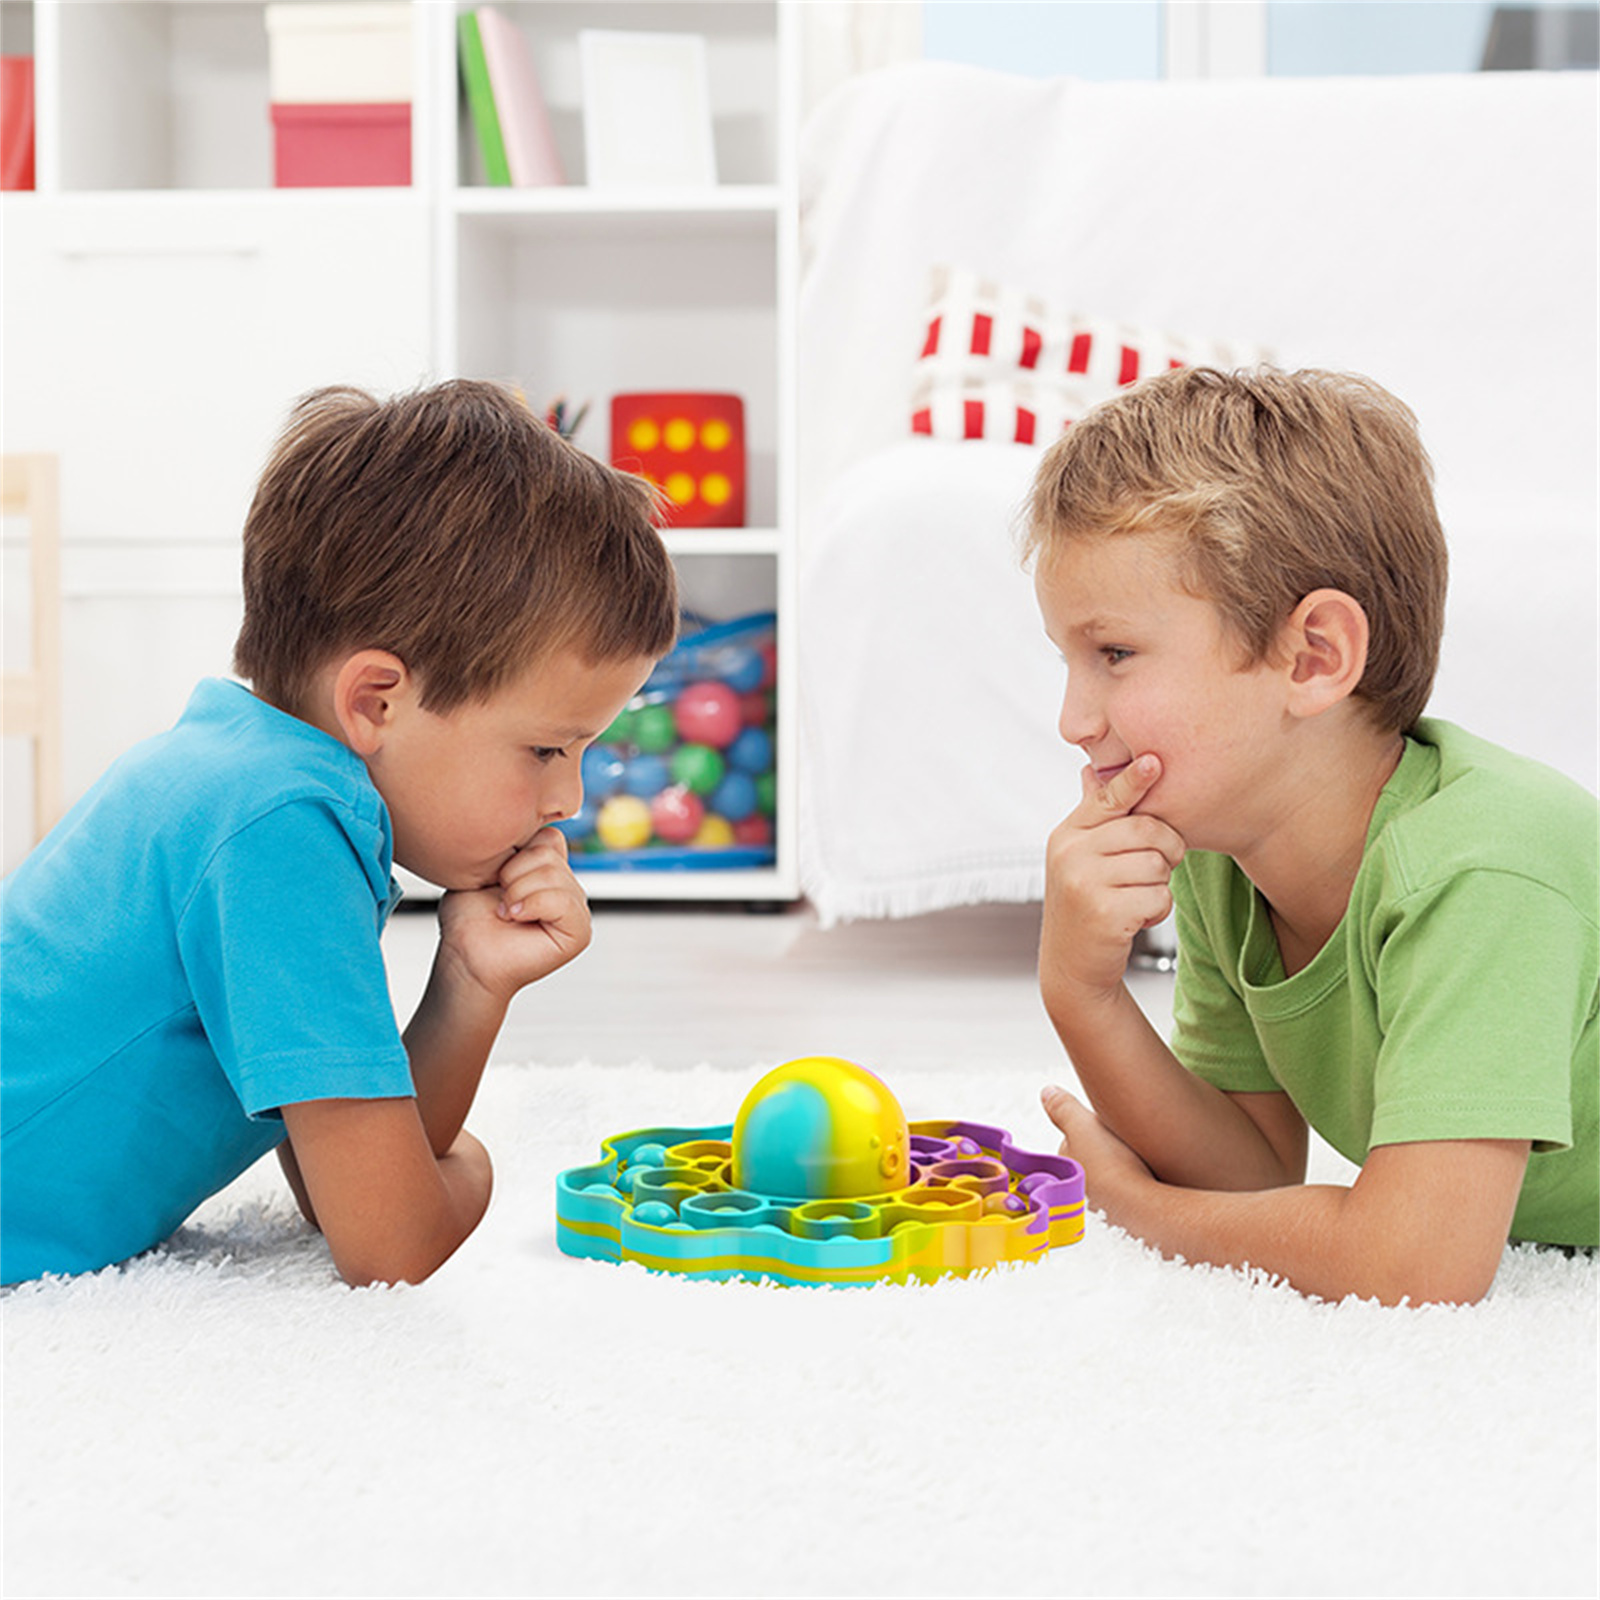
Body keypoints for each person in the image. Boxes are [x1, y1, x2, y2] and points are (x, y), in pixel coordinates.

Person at [2, 380, 677, 1287]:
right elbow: (386, 1242)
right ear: (374, 702)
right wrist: (474, 1175)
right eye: (547, 749)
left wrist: (473, 980)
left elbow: (342, 1179)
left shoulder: (248, 775)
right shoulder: (279, 829)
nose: (569, 799)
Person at [1027, 366, 1597, 1305]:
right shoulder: (1222, 855)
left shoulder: (1484, 866)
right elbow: (1249, 1173)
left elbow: (1417, 1266)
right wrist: (1081, 994)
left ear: (1315, 657)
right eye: (1069, 660)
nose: (1073, 721)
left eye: (1114, 654)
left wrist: (1143, 1209)